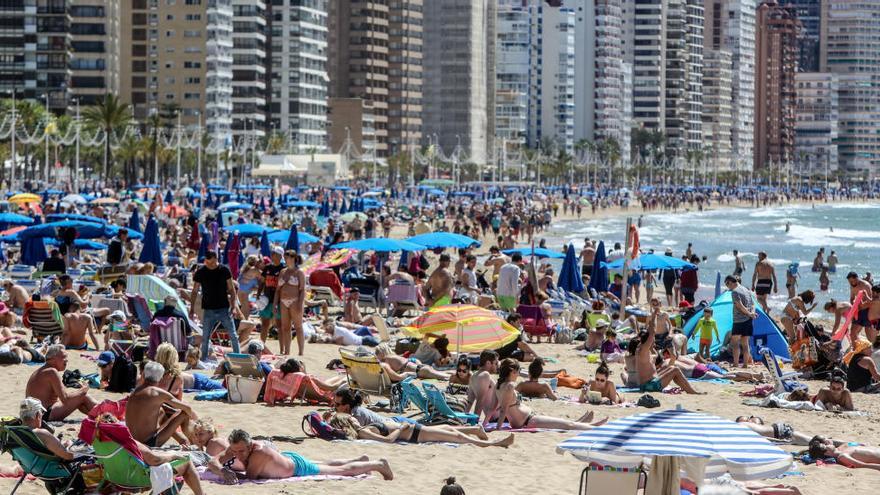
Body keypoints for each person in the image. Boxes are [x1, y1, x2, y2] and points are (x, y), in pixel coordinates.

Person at [207, 429, 393, 483]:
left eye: (241, 451)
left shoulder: (259, 452)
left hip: (295, 468)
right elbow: (212, 461)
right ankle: (360, 461)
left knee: (340, 471)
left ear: (250, 445)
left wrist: (227, 472)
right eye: (235, 451)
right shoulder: (236, 447)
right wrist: (222, 470)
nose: (237, 454)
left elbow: (250, 477)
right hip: (287, 459)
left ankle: (378, 464)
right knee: (325, 464)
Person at [495, 358, 606, 430]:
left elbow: (494, 407)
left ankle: (584, 424)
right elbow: (503, 409)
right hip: (528, 421)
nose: (518, 375)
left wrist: (486, 423)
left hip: (529, 418)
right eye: (517, 372)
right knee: (567, 425)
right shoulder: (509, 386)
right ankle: (594, 428)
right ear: (512, 372)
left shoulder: (499, 385)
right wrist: (497, 428)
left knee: (564, 424)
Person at [331, 413, 514, 448]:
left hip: (413, 429)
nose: (353, 416)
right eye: (349, 418)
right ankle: (492, 443)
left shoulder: (363, 427)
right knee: (456, 436)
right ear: (347, 422)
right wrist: (400, 428)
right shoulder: (363, 432)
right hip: (414, 434)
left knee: (448, 427)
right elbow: (387, 441)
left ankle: (475, 430)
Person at [125, 361, 198, 447]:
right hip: (149, 443)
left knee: (161, 411)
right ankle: (194, 442)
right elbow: (187, 408)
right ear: (161, 378)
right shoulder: (157, 393)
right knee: (183, 413)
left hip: (133, 441)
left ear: (144, 374)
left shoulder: (135, 391)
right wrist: (194, 421)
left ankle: (182, 440)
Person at [191, 251, 242, 358]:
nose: (210, 264)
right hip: (208, 309)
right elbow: (194, 291)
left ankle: (238, 356)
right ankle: (204, 358)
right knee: (205, 337)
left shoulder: (224, 270)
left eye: (212, 262)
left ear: (216, 259)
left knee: (233, 335)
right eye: (208, 262)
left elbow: (232, 290)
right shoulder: (201, 272)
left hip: (224, 308)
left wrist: (233, 307)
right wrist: (191, 309)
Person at [24, 345, 96, 421]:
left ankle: (99, 417)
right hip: (44, 414)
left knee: (79, 400)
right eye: (64, 357)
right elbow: (65, 398)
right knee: (83, 396)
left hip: (35, 414)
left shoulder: (42, 370)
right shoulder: (51, 371)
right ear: (53, 359)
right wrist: (83, 389)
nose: (66, 360)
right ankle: (105, 413)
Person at [635, 319, 701, 394]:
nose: (654, 341)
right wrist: (654, 315)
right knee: (675, 370)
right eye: (653, 340)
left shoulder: (644, 350)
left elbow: (656, 354)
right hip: (649, 386)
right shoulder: (643, 351)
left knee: (671, 368)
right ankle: (691, 391)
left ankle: (687, 388)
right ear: (648, 341)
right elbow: (652, 333)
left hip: (649, 382)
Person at [275, 251, 306, 356]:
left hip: (295, 301)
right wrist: (275, 303)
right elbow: (278, 290)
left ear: (293, 258)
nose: (285, 259)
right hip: (283, 301)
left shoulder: (299, 272)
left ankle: (301, 352)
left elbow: (302, 290)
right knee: (285, 327)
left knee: (298, 327)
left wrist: (300, 304)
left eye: (287, 257)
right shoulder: (283, 272)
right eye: (285, 257)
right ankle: (287, 351)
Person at [373, 343, 451, 381]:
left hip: (421, 371)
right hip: (421, 369)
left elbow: (393, 376)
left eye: (377, 353)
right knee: (444, 374)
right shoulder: (392, 356)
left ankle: (460, 379)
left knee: (446, 377)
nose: (376, 356)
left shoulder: (386, 360)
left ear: (382, 353)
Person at [727, 275, 757, 367]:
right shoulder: (747, 290)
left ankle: (735, 364)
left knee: (735, 342)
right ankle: (745, 365)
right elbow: (753, 304)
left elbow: (739, 305)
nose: (728, 287)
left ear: (730, 282)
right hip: (748, 321)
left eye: (727, 284)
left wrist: (748, 314)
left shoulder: (735, 292)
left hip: (739, 320)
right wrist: (751, 313)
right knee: (745, 343)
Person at [257, 248, 284, 342]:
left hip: (279, 301)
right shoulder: (267, 267)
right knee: (264, 324)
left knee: (280, 325)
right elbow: (262, 282)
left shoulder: (283, 269)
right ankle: (261, 346)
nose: (272, 255)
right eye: (272, 253)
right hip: (266, 300)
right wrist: (258, 294)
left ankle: (283, 349)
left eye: (274, 254)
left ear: (280, 256)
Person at [467, 350, 499, 422]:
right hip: (499, 418)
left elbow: (469, 402)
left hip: (493, 418)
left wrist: (462, 418)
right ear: (488, 363)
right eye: (496, 363)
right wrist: (475, 422)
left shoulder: (473, 376)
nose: (497, 365)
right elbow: (480, 401)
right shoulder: (485, 375)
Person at [808, 440, 880, 471]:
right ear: (827, 453)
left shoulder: (843, 447)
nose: (827, 443)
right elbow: (862, 465)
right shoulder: (842, 456)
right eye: (825, 445)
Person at [847, 272, 874, 343]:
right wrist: (854, 305)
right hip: (858, 311)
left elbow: (872, 301)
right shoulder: (852, 286)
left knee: (868, 331)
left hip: (868, 310)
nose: (851, 283)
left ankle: (871, 349)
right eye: (849, 282)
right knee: (852, 332)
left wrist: (861, 306)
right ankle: (855, 349)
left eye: (852, 281)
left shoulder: (866, 285)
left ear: (857, 278)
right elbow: (852, 298)